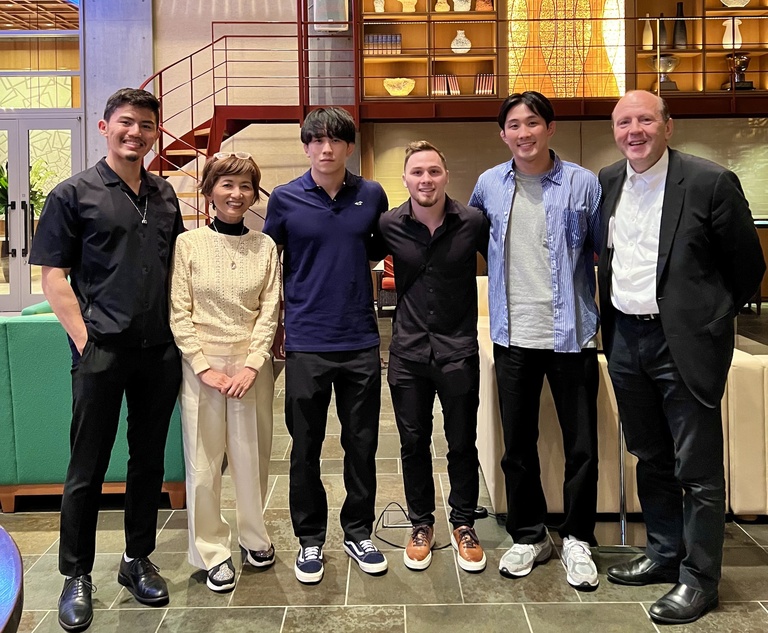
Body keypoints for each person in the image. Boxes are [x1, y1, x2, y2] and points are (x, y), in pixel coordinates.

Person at [598, 90, 765, 624]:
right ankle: (664, 553)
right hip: (625, 338)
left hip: (684, 343)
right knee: (650, 454)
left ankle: (700, 580)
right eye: (624, 122)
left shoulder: (709, 180)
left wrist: (708, 319)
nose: (635, 131)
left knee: (696, 466)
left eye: (645, 119)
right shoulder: (608, 181)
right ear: (615, 131)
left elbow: (746, 268)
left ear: (668, 126)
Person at [28, 88, 184, 632]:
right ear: (104, 126)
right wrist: (85, 341)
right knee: (86, 468)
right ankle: (76, 574)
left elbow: (176, 272)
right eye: (125, 123)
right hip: (101, 352)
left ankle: (136, 559)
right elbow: (52, 276)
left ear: (154, 133)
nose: (135, 133)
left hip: (159, 352)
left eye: (145, 125)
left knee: (148, 464)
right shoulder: (72, 193)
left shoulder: (165, 196)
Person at [469, 91, 602, 590]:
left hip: (572, 336)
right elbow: (482, 244)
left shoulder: (582, 183)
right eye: (513, 125)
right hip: (512, 334)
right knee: (517, 444)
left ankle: (578, 540)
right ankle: (530, 534)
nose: (523, 133)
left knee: (580, 445)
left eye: (532, 123)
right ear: (502, 134)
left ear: (550, 127)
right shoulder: (488, 185)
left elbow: (597, 253)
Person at [262, 107, 389, 584]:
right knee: (305, 446)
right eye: (316, 141)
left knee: (362, 444)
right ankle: (310, 539)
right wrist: (274, 325)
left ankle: (358, 531)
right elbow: (270, 265)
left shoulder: (371, 194)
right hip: (306, 341)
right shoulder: (285, 199)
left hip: (359, 340)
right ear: (306, 146)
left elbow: (377, 249)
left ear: (350, 147)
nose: (326, 149)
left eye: (336, 141)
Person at [169, 153, 280, 593]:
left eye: (246, 187)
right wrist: (202, 366)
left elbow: (271, 308)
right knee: (203, 464)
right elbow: (179, 311)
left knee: (253, 458)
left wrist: (254, 363)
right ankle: (212, 551)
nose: (237, 194)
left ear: (254, 194)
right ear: (210, 191)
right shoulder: (189, 244)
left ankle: (254, 538)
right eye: (227, 185)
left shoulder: (265, 245)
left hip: (253, 366)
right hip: (202, 365)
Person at [378, 141, 490, 573]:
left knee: (462, 442)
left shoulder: (473, 222)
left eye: (434, 171)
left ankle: (463, 522)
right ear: (405, 179)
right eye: (417, 172)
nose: (426, 179)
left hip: (457, 350)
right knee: (413, 443)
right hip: (407, 353)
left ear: (446, 175)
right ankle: (421, 523)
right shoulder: (388, 224)